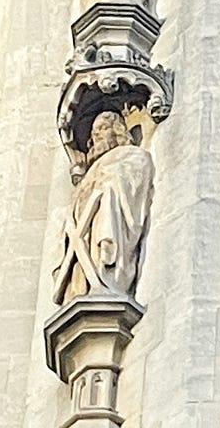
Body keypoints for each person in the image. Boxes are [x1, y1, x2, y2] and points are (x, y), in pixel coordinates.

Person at [52, 111, 155, 305]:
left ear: (118, 131)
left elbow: (133, 186)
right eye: (94, 132)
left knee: (108, 202)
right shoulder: (89, 172)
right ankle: (79, 283)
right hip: (82, 237)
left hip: (108, 227)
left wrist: (105, 188)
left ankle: (106, 270)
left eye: (103, 128)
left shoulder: (131, 155)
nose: (97, 135)